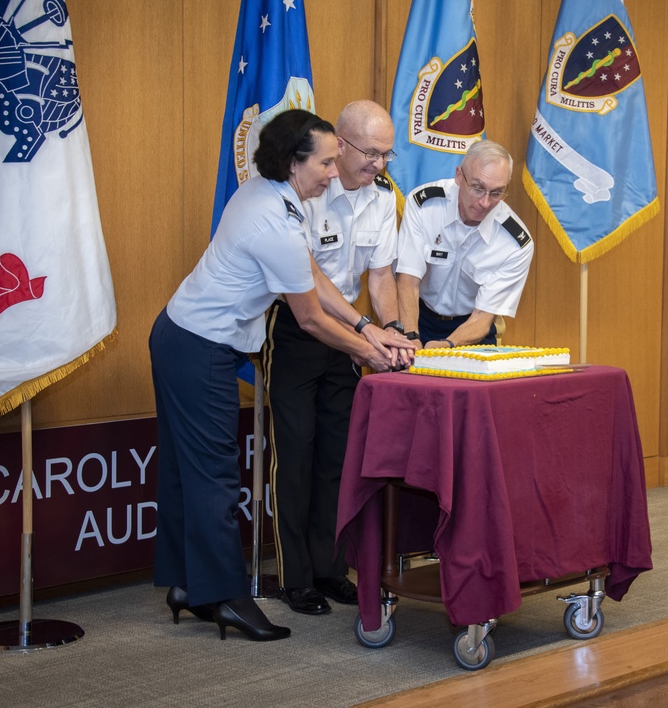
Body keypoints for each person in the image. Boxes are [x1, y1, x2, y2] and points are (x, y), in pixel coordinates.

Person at [148, 109, 413, 642]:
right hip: (200, 347)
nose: (333, 172)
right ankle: (227, 597)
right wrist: (371, 352)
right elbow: (310, 315)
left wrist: (367, 327)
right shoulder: (275, 219)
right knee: (214, 479)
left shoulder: (273, 197)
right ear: (293, 162)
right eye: (324, 162)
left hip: (183, 337)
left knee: (182, 472)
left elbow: (314, 280)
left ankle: (184, 585)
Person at [263, 100, 407, 616]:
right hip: (301, 331)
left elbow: (382, 275)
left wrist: (390, 330)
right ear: (340, 145)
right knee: (296, 456)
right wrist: (365, 330)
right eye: (372, 153)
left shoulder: (385, 196)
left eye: (387, 154)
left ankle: (328, 568)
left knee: (336, 459)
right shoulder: (302, 192)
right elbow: (309, 282)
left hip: (351, 335)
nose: (380, 165)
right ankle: (294, 576)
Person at [396, 140, 534, 348]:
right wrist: (411, 337)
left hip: (472, 328)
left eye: (496, 192)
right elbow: (408, 280)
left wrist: (448, 345)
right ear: (459, 176)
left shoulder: (515, 244)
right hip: (417, 315)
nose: (485, 203)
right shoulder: (425, 205)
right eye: (478, 188)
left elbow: (482, 317)